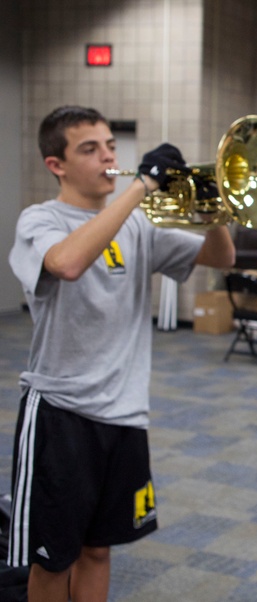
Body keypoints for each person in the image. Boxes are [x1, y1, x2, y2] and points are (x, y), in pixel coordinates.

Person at [7, 105, 236, 601]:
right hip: (61, 415)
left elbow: (222, 257)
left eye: (110, 145)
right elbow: (67, 263)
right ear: (57, 165)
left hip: (125, 415)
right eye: (90, 149)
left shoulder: (139, 227)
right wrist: (141, 188)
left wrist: (210, 209)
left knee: (99, 549)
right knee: (52, 560)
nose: (108, 156)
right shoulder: (39, 220)